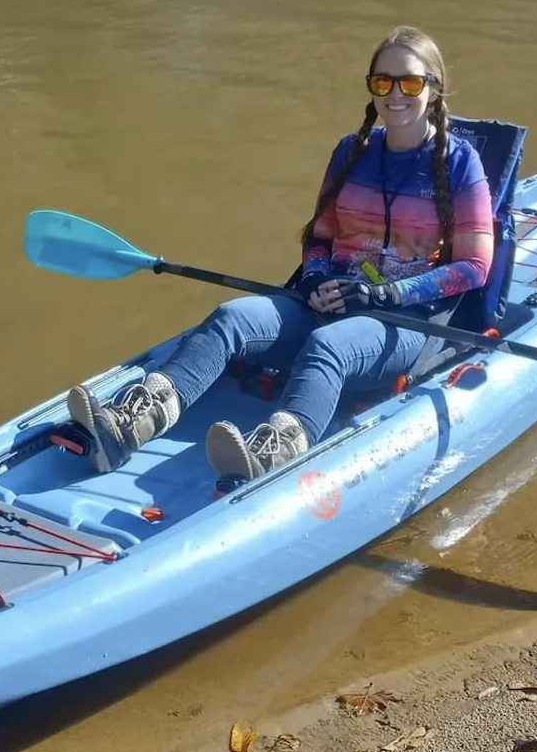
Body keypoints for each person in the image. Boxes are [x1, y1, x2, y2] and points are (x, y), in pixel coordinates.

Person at [67, 27, 496, 481]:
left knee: (327, 347)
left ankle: (274, 452)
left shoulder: (461, 164)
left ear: (434, 88)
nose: (395, 93)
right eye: (382, 81)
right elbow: (319, 237)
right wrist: (313, 278)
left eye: (410, 82)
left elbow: (474, 267)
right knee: (231, 317)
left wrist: (385, 295)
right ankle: (133, 421)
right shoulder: (352, 152)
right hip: (328, 298)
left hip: (403, 319)